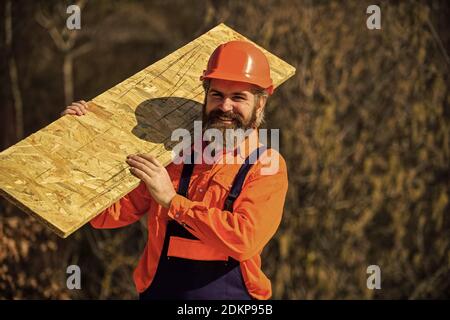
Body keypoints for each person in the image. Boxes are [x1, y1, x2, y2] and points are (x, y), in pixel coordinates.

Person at [62, 40, 288, 300]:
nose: (225, 107)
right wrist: (77, 140)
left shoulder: (267, 166)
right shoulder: (175, 155)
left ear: (260, 104)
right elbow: (107, 214)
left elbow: (243, 238)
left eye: (238, 97)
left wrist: (172, 201)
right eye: (217, 95)